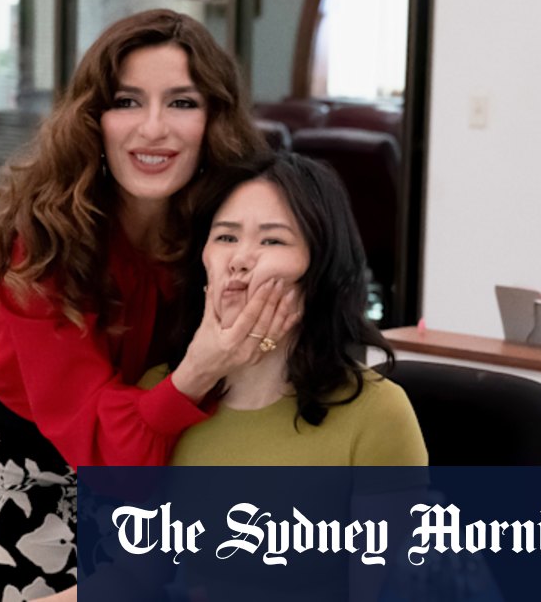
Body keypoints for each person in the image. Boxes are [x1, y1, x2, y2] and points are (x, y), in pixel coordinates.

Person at [0, 9, 295, 601]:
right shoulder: (44, 242)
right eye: (127, 101)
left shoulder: (226, 224)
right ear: (94, 119)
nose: (153, 128)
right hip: (20, 464)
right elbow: (101, 444)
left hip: (162, 451)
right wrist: (201, 367)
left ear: (213, 120)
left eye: (182, 103)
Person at [162, 151, 429, 466]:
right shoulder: (160, 391)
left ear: (321, 265)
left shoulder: (378, 412)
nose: (239, 260)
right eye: (226, 237)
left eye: (272, 241)